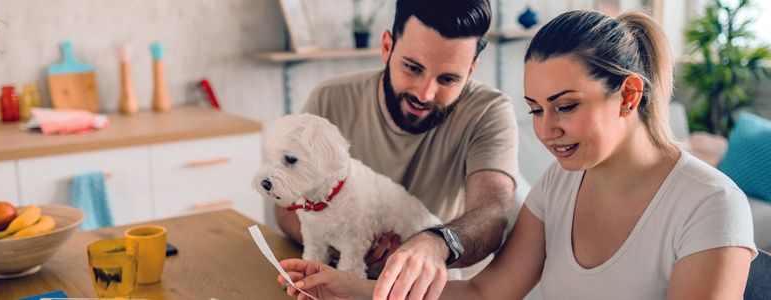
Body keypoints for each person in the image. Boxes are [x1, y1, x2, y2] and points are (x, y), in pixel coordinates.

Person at [276, 10, 759, 300]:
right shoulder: (559, 182)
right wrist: (349, 287)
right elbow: (485, 293)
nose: (547, 131)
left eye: (566, 106)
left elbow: (490, 209)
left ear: (629, 96)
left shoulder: (710, 206)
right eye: (535, 109)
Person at [274, 0, 520, 298]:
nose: (425, 93)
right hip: (338, 283)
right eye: (413, 68)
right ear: (387, 46)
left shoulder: (489, 111)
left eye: (448, 79)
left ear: (470, 70)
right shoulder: (329, 100)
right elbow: (286, 204)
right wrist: (349, 243)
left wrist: (435, 244)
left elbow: (492, 212)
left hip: (440, 291)